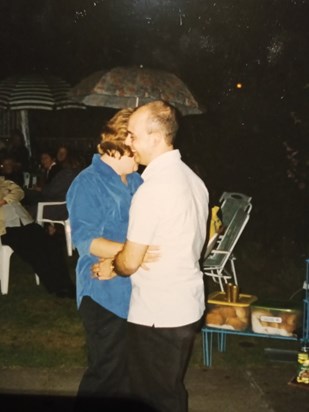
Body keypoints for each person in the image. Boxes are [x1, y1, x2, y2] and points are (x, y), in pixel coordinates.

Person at [93, 100, 209, 412]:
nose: (128, 142)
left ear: (155, 138)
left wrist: (112, 266)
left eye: (133, 135)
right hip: (187, 304)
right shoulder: (193, 180)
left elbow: (130, 261)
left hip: (158, 313)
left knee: (156, 397)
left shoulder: (153, 189)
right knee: (166, 389)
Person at [66, 108, 154, 406]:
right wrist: (135, 253)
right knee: (106, 375)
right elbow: (86, 241)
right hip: (103, 293)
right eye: (136, 149)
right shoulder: (88, 183)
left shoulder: (136, 181)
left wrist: (137, 257)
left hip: (133, 290)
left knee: (129, 376)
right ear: (121, 144)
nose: (141, 157)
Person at [0, 176, 76, 298]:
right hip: (6, 228)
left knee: (52, 245)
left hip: (26, 222)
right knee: (34, 252)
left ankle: (67, 285)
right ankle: (55, 287)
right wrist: (9, 196)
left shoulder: (3, 181)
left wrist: (4, 200)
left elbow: (19, 192)